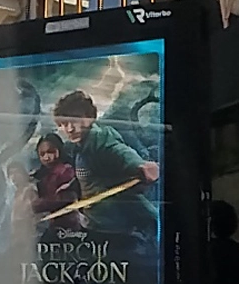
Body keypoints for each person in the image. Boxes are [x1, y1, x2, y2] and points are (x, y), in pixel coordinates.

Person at [51, 90, 159, 236]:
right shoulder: (80, 146)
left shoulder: (100, 141)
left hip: (113, 228)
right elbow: (92, 175)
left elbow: (120, 152)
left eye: (74, 121)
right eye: (64, 124)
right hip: (94, 223)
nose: (70, 129)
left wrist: (140, 165)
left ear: (89, 117)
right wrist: (72, 186)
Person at [29, 133, 82, 231]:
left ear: (59, 150)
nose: (46, 157)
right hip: (50, 223)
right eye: (42, 154)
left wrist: (34, 206)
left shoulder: (66, 171)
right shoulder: (40, 175)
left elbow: (66, 198)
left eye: (50, 152)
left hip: (69, 224)